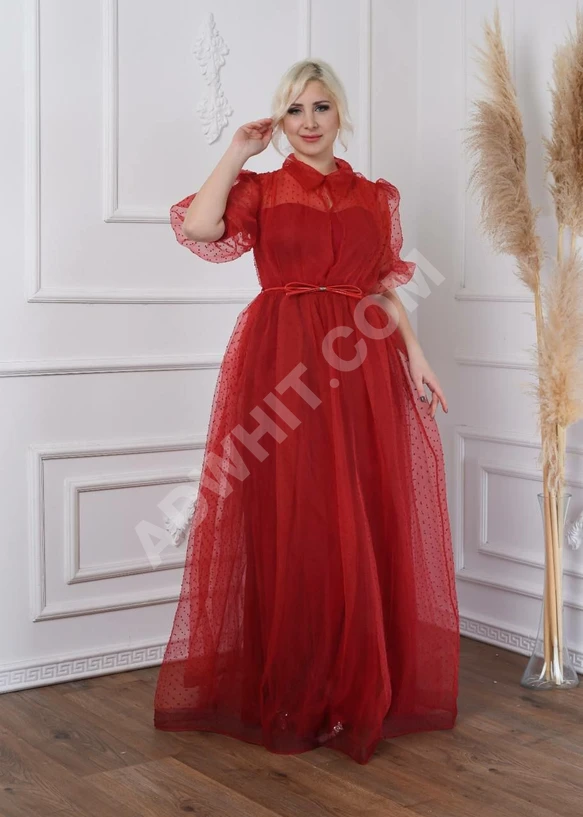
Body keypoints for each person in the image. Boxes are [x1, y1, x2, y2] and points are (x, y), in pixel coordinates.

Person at [154, 59, 459, 766]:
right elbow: (198, 226)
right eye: (294, 110)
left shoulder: (374, 196)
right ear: (280, 120)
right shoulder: (260, 189)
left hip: (360, 364)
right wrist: (238, 150)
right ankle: (295, 686)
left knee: (359, 513)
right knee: (293, 515)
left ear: (339, 113)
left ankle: (353, 686)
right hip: (282, 358)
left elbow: (381, 285)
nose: (309, 122)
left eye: (320, 107)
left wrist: (415, 354)